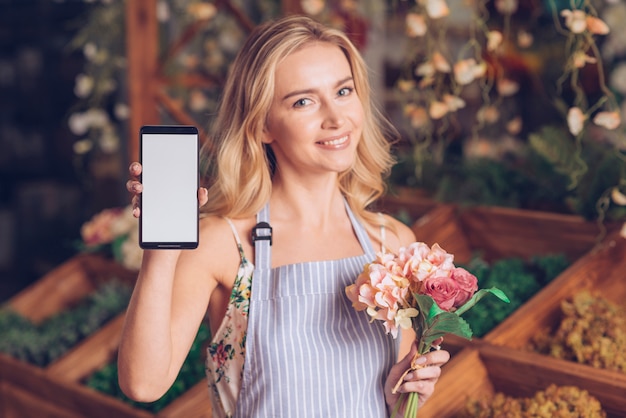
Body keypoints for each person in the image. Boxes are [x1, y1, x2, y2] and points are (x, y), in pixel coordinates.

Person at [118, 14, 450, 418]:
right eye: (303, 101)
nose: (335, 118)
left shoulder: (392, 243)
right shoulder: (224, 245)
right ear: (261, 125)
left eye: (343, 91)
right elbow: (143, 384)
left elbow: (393, 399)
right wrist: (161, 247)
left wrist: (402, 398)